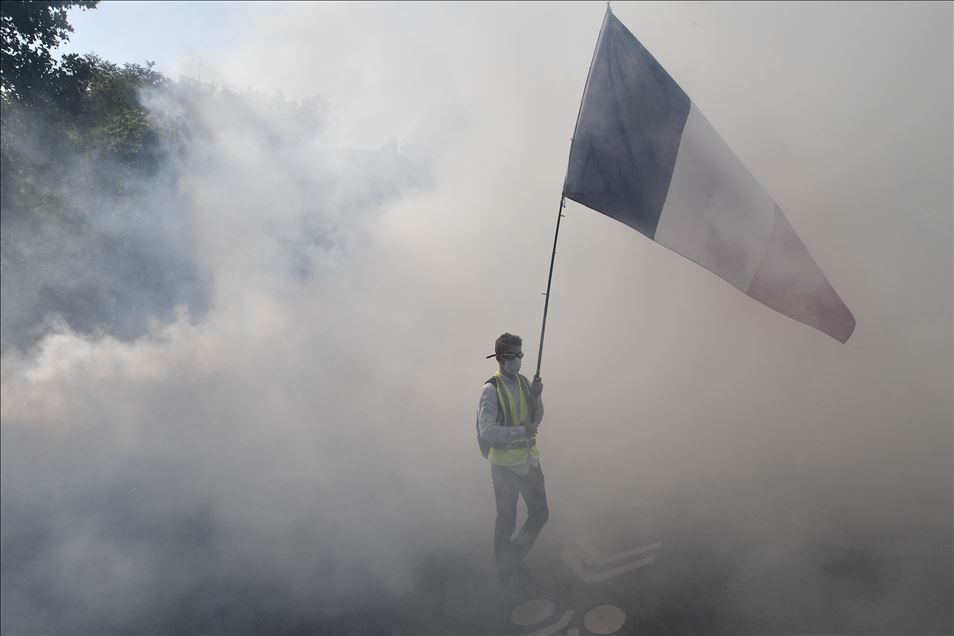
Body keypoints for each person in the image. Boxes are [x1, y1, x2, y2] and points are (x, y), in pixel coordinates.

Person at [477, 332, 547, 597]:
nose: (517, 361)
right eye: (512, 356)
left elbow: (536, 418)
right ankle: (505, 573)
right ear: (499, 357)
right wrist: (521, 430)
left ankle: (512, 556)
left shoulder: (524, 381)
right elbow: (487, 431)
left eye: (520, 355)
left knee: (540, 513)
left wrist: (537, 396)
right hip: (505, 468)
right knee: (506, 521)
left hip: (529, 461)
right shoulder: (489, 391)